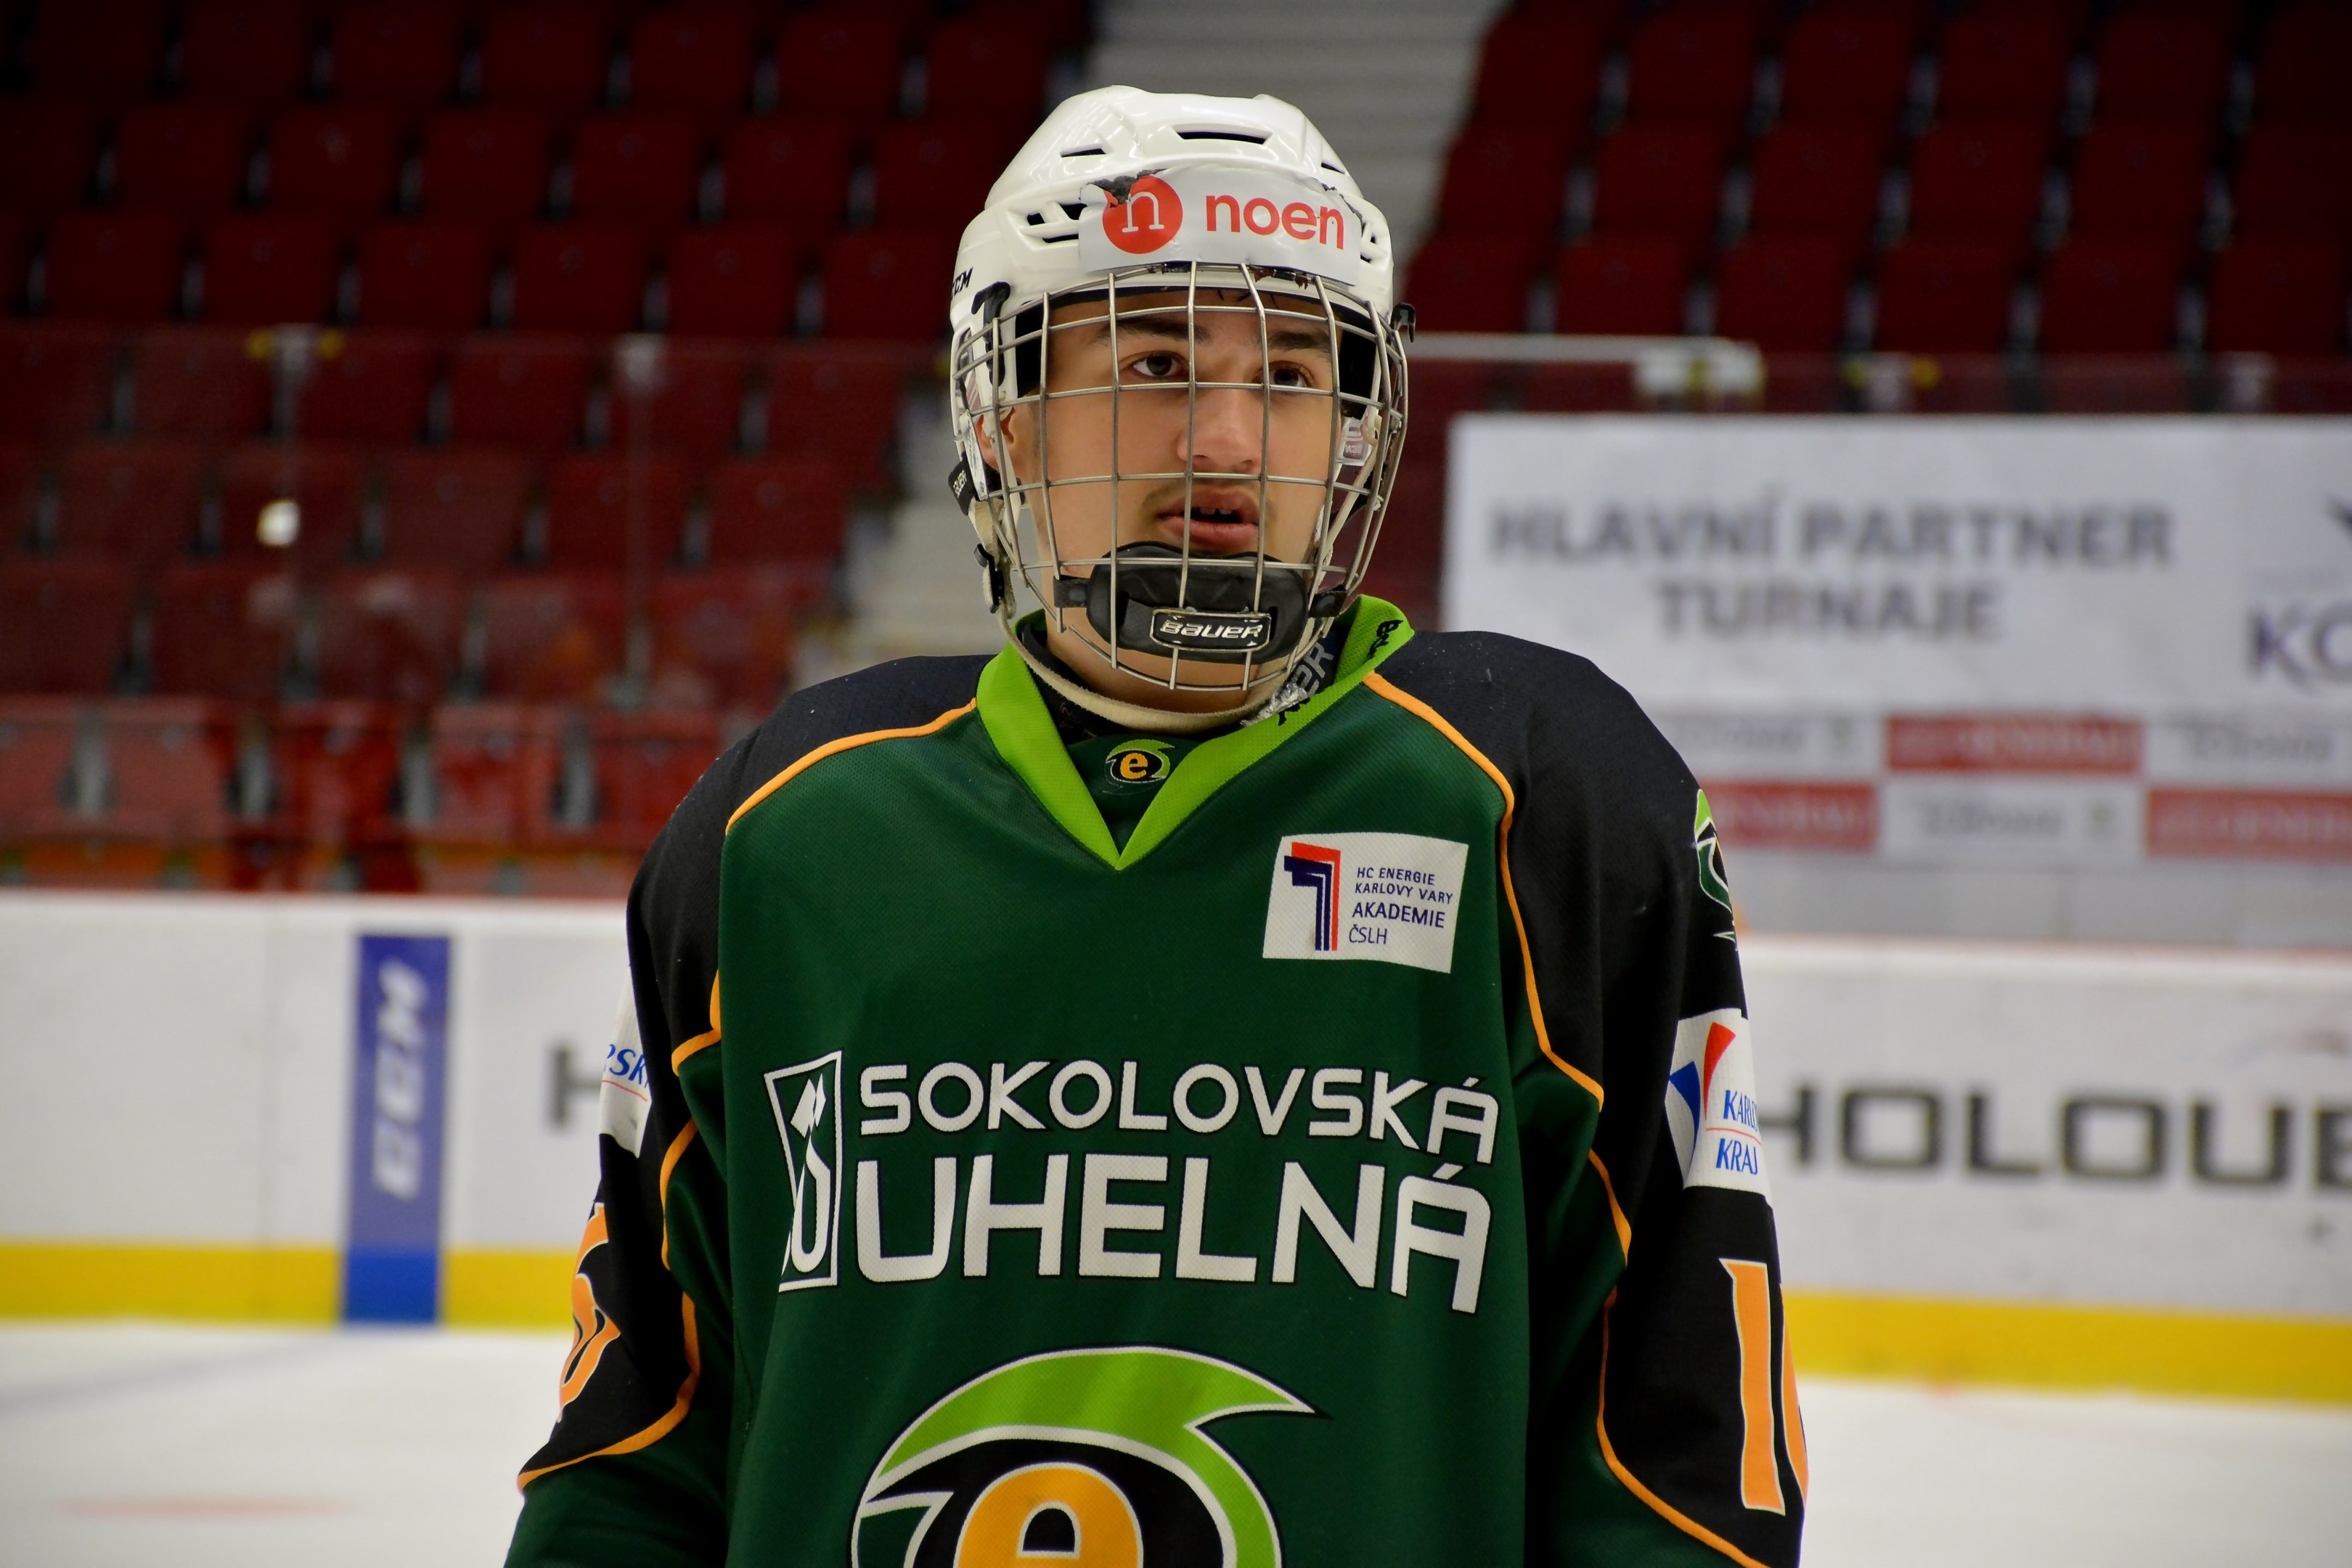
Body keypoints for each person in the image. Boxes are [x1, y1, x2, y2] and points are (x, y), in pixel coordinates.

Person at [507, 86, 1804, 1568]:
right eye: (1155, 360)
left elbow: (1677, 1466)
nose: (1232, 443)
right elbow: (636, 1457)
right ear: (1003, 415)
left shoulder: (1544, 803)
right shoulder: (786, 826)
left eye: (1297, 373)